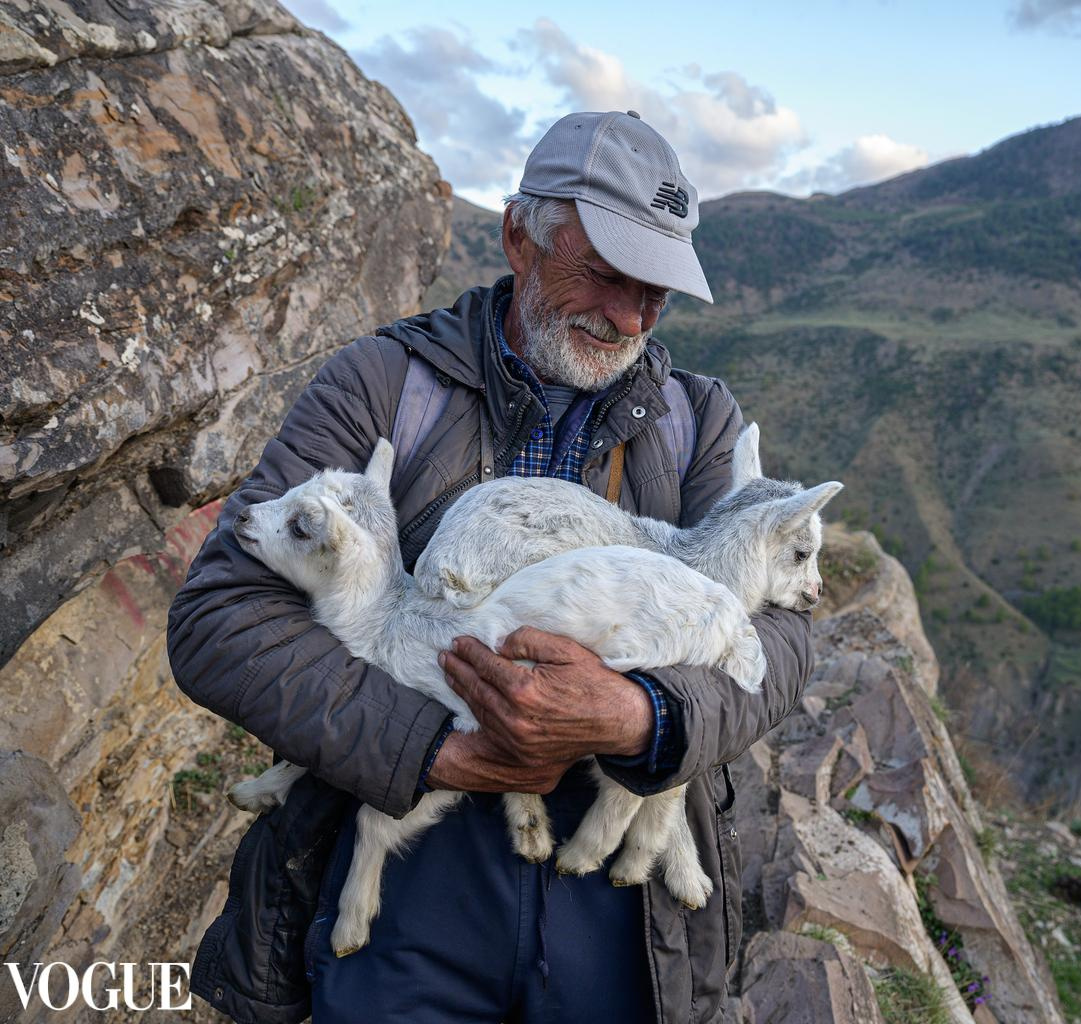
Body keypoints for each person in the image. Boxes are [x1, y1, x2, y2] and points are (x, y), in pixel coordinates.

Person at [168, 110, 813, 1024]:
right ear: (520, 237)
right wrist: (438, 749)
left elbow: (780, 644)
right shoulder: (384, 388)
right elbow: (221, 620)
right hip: (407, 871)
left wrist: (643, 714)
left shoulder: (696, 424)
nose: (630, 317)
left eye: (657, 292)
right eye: (604, 275)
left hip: (619, 909)